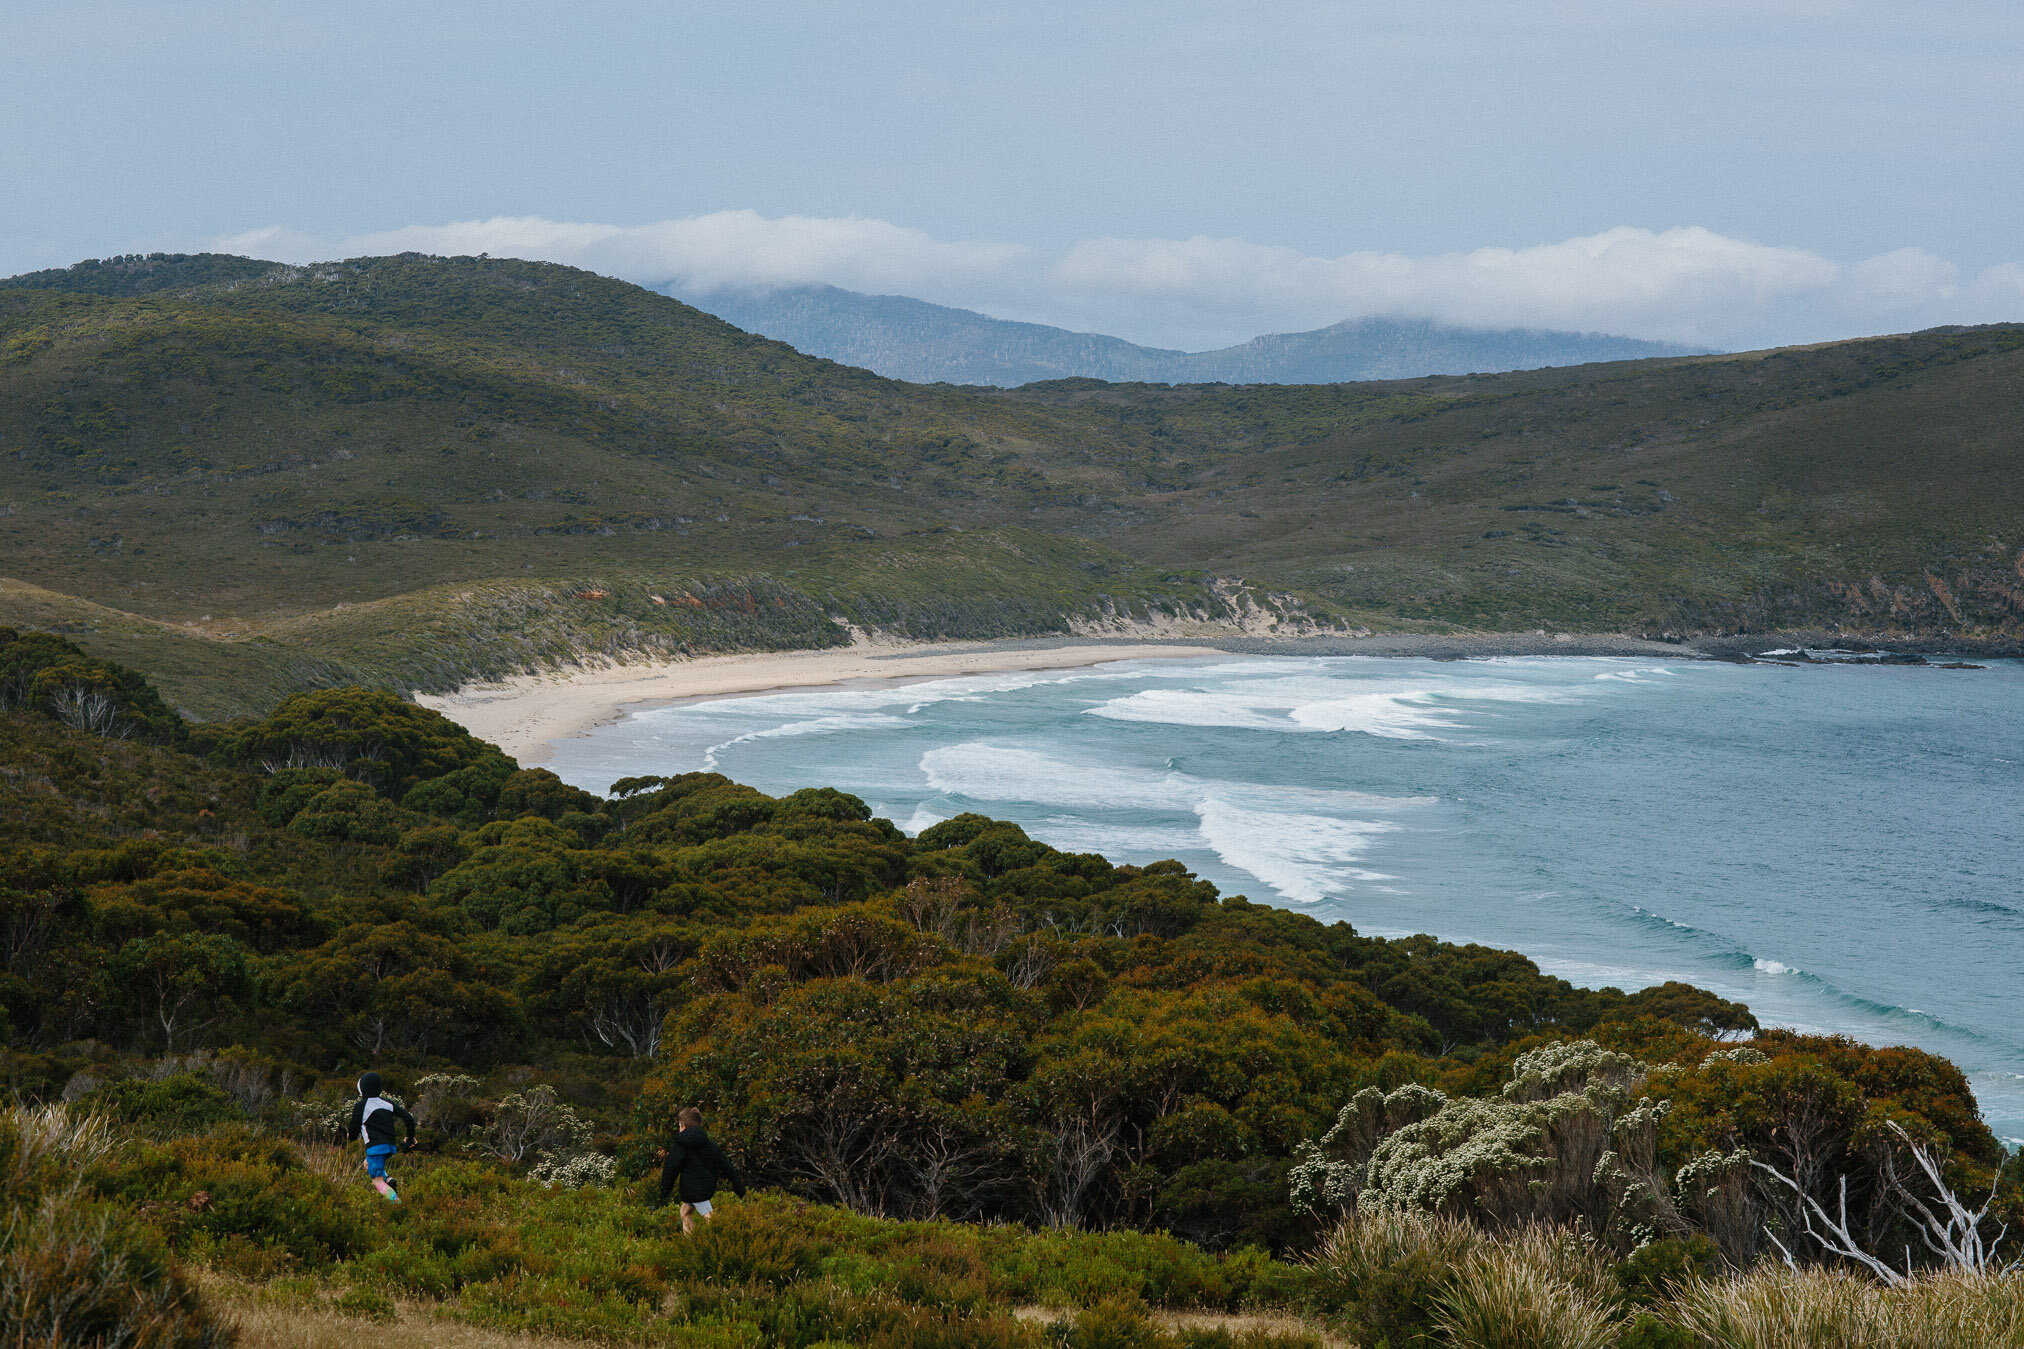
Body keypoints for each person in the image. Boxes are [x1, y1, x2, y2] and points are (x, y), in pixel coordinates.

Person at [657, 1106, 746, 1233]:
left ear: (683, 1126)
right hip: (706, 1188)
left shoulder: (680, 1146)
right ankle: (692, 1244)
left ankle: (722, 1239)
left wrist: (664, 1190)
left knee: (710, 1217)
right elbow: (727, 1167)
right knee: (684, 1212)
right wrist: (739, 1188)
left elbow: (671, 1168)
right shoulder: (710, 1145)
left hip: (694, 1191)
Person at [342, 1071, 417, 1203]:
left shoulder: (361, 1105)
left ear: (362, 1088)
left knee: (377, 1182)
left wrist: (350, 1137)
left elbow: (354, 1127)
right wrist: (409, 1137)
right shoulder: (387, 1103)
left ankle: (398, 1204)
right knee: (366, 1163)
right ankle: (389, 1180)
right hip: (389, 1146)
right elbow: (409, 1118)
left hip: (376, 1148)